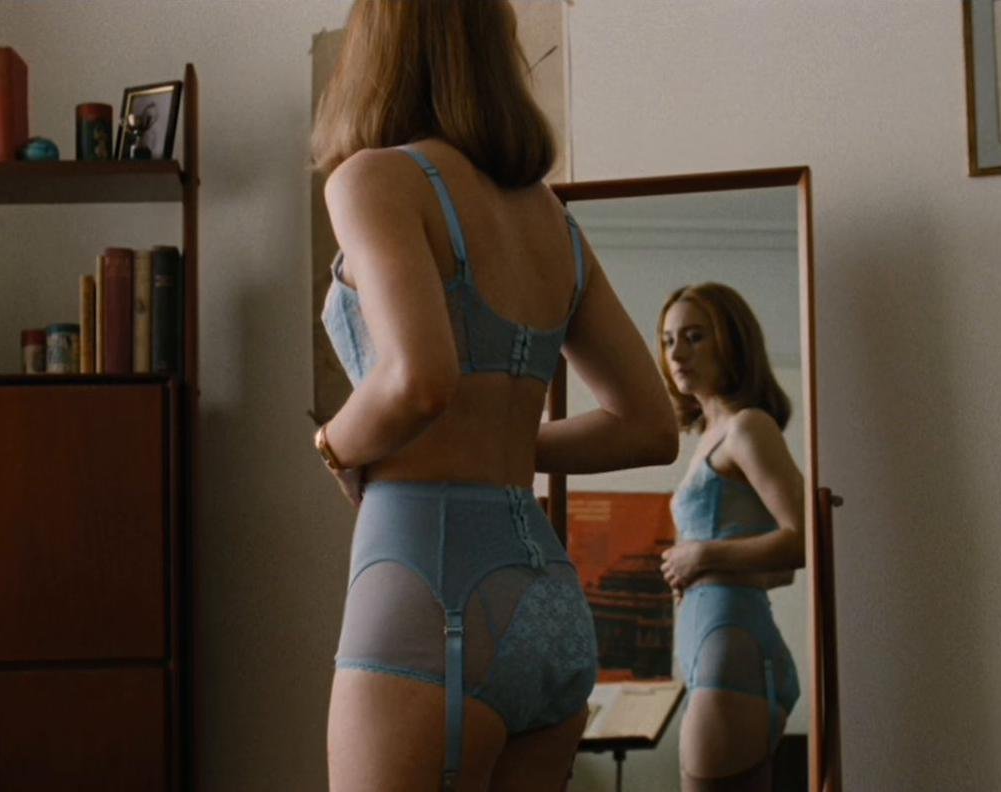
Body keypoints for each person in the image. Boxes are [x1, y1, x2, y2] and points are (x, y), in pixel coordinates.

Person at [309, 2, 677, 789]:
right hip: (548, 602)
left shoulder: (371, 180)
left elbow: (418, 379)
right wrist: (505, 444)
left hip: (428, 587)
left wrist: (333, 443)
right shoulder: (549, 218)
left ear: (376, 47)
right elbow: (649, 425)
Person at [655, 283, 806, 791]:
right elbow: (778, 570)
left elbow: (803, 540)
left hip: (733, 651)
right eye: (668, 340)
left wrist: (701, 555)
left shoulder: (748, 428)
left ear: (731, 342)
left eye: (694, 337)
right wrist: (706, 564)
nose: (677, 353)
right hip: (715, 647)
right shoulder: (709, 437)